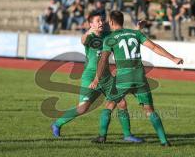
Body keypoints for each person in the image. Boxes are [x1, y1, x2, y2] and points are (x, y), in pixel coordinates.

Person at [89, 10, 184, 146]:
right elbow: (154, 47)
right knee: (149, 109)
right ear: (122, 21)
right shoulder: (136, 33)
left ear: (111, 22)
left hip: (123, 78)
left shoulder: (110, 38)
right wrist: (173, 58)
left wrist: (97, 79)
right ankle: (164, 141)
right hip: (139, 76)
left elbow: (103, 60)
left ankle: (102, 136)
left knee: (110, 105)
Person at [51, 11, 144, 143]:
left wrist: (137, 29)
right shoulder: (89, 38)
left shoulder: (108, 35)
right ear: (91, 24)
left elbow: (124, 35)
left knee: (122, 103)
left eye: (102, 20)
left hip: (106, 78)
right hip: (90, 77)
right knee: (83, 108)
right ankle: (57, 124)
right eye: (98, 21)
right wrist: (89, 31)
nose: (101, 23)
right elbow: (83, 40)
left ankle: (127, 135)